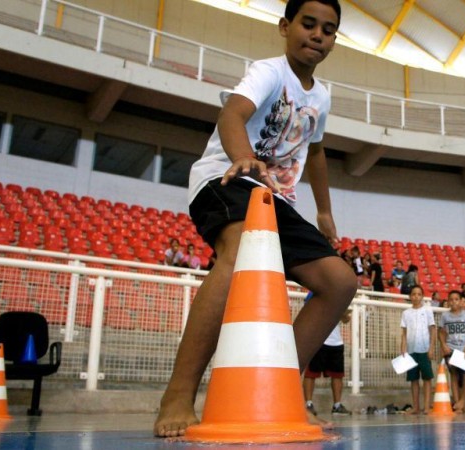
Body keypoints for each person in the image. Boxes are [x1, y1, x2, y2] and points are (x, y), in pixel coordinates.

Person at [153, 0, 357, 437]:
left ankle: (281, 391)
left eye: (329, 29)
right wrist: (244, 157)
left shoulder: (320, 95)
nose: (318, 35)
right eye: (308, 24)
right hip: (225, 177)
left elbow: (315, 150)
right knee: (239, 250)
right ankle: (179, 394)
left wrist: (323, 210)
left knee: (339, 282)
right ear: (285, 26)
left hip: (274, 200)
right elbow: (232, 113)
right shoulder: (269, 71)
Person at [304, 308, 352, 416]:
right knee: (311, 373)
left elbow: (346, 320)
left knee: (338, 375)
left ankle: (337, 406)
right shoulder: (314, 294)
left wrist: (341, 314)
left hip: (336, 342)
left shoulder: (340, 298)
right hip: (318, 339)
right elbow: (309, 312)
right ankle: (308, 404)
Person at [400, 285, 435, 415]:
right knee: (413, 379)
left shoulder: (427, 311)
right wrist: (403, 348)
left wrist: (431, 347)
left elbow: (433, 329)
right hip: (411, 351)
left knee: (427, 378)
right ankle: (416, 407)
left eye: (419, 294)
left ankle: (426, 407)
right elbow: (404, 333)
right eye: (413, 294)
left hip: (424, 349)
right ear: (410, 296)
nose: (416, 296)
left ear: (422, 296)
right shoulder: (406, 313)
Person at [438, 290, 465, 412]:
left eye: (456, 299)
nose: (454, 301)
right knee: (454, 374)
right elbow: (441, 333)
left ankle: (462, 400)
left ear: (460, 301)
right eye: (451, 299)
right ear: (448, 302)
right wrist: (443, 345)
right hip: (450, 348)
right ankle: (457, 402)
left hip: (463, 348)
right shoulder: (445, 316)